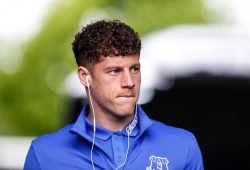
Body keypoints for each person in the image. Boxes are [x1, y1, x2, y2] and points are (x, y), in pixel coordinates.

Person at [24, 19, 204, 170]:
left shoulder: (182, 145)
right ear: (85, 76)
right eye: (114, 71)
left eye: (134, 69)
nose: (129, 82)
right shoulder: (44, 154)